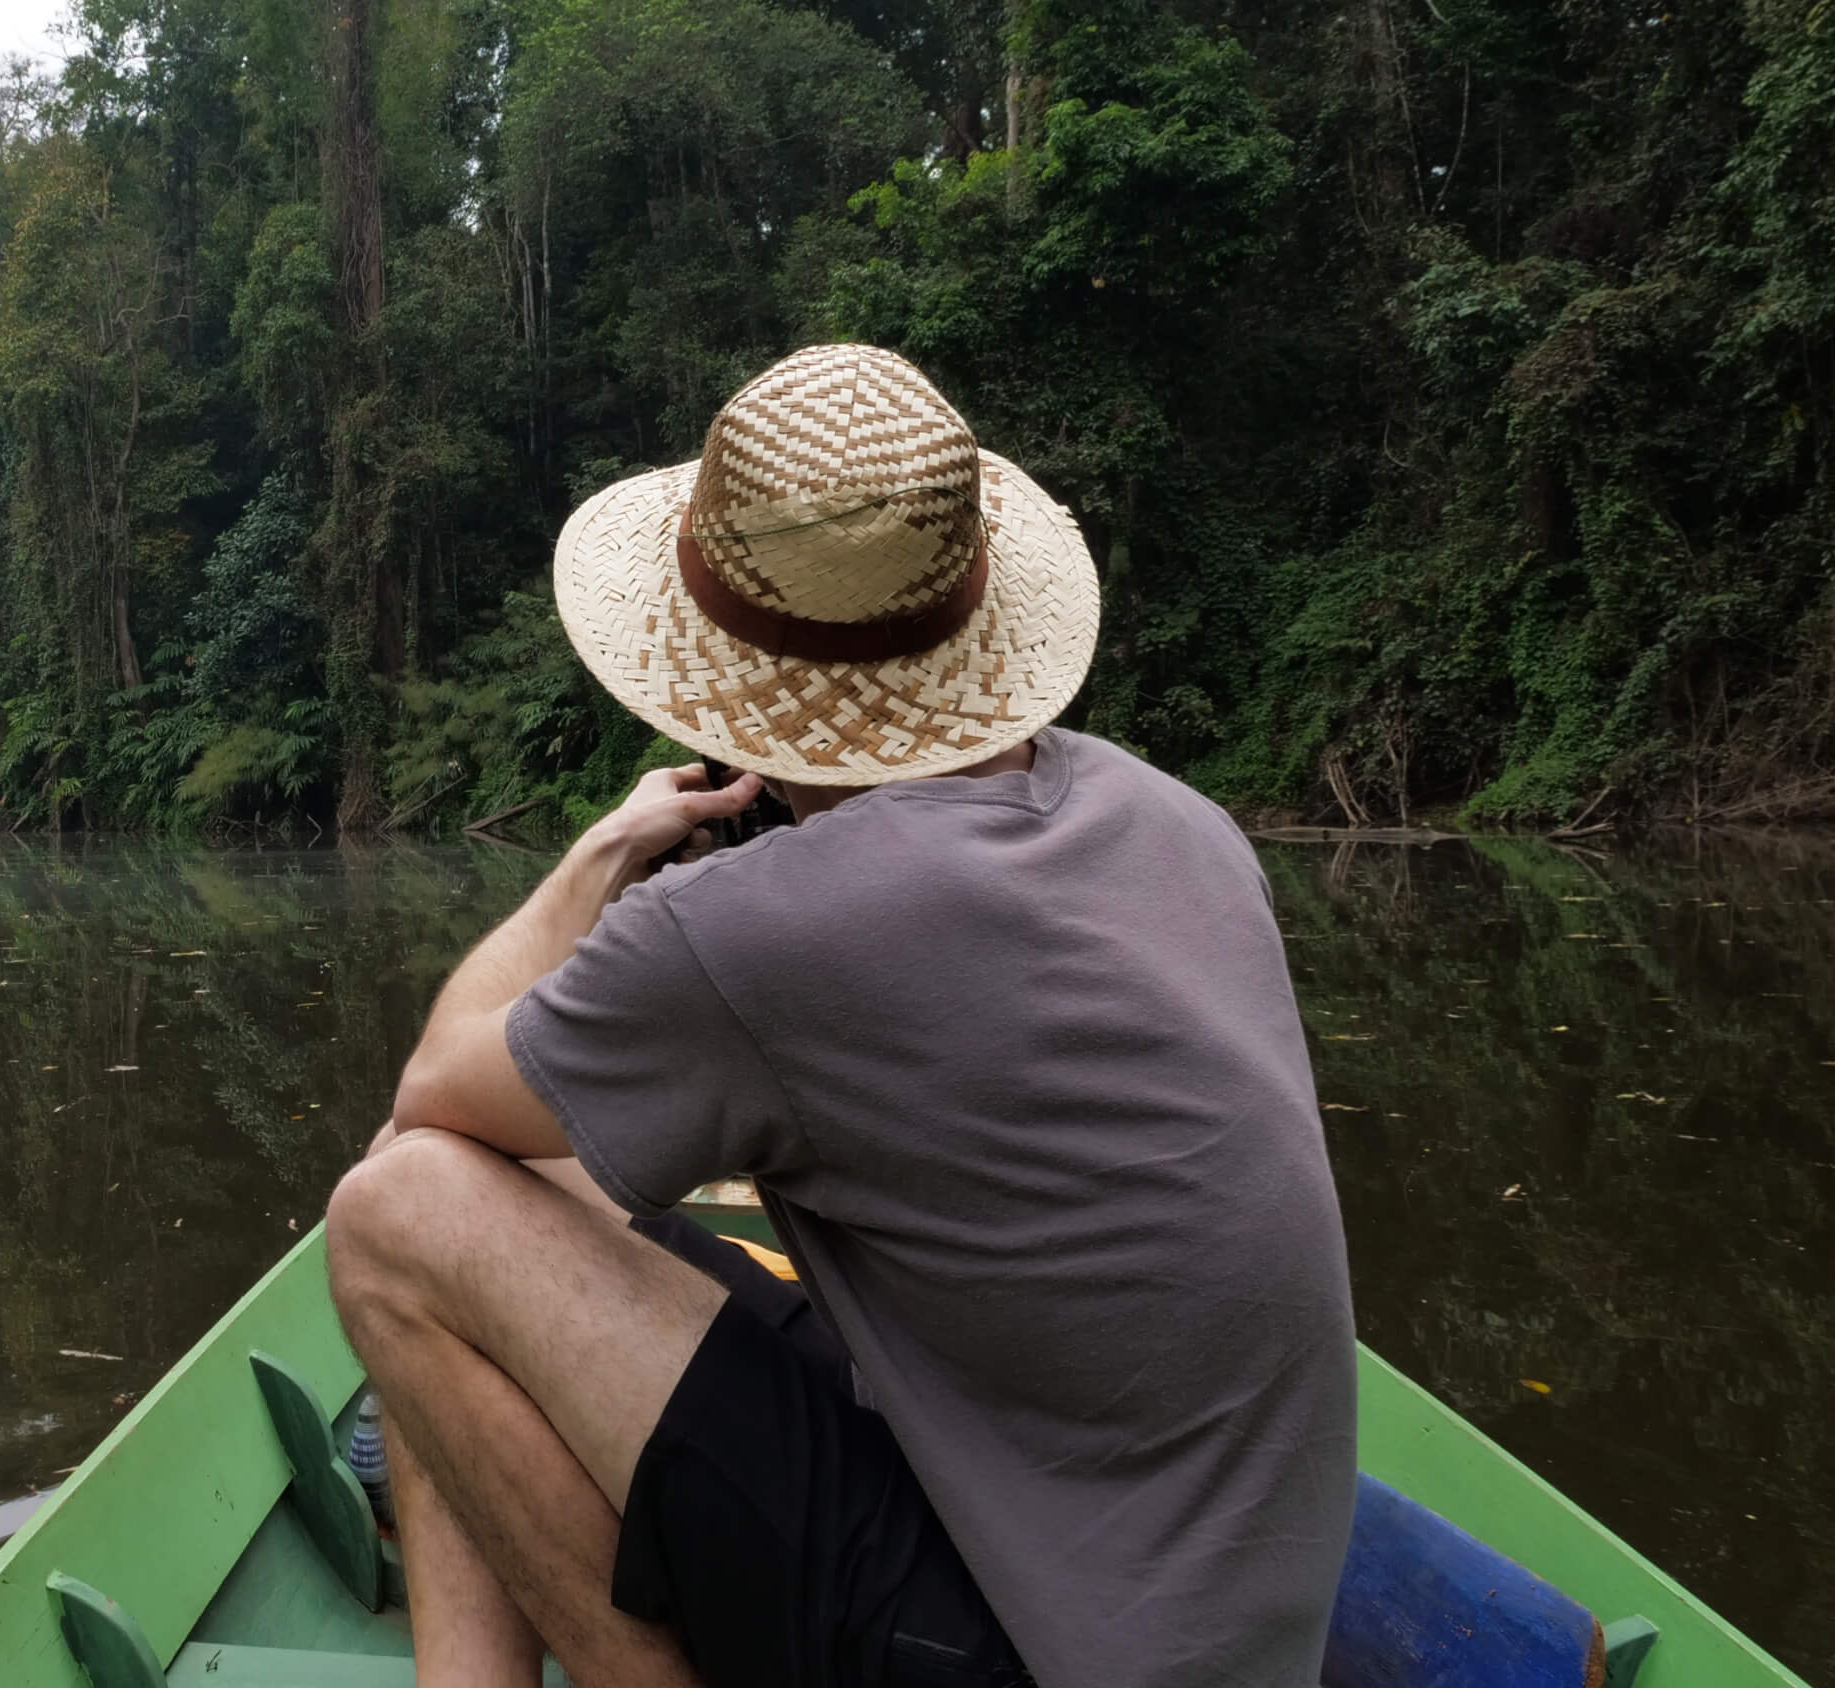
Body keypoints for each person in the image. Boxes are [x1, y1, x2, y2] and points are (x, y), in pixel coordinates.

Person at [324, 345, 1356, 1688]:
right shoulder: (1171, 817)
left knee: (397, 1218)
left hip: (1035, 1655)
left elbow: (428, 1100)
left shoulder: (771, 926)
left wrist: (596, 861)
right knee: (516, 1209)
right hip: (1206, 1612)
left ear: (730, 682)